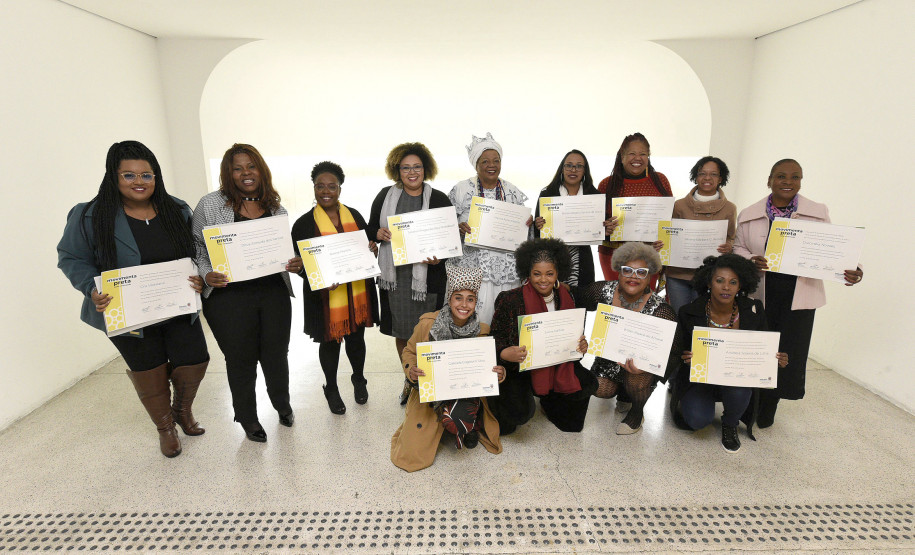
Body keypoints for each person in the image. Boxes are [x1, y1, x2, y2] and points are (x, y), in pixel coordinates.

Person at [57, 140, 209, 458]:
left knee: (194, 358)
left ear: (157, 177)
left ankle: (182, 410)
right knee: (148, 366)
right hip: (126, 312)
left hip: (178, 306)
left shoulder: (177, 209)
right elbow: (71, 257)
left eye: (146, 175)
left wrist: (198, 274)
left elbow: (197, 250)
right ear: (113, 177)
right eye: (129, 175)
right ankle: (165, 427)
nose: (139, 182)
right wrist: (91, 288)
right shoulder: (89, 215)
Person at [733, 159, 863, 428]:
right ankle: (749, 404)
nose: (788, 182)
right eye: (781, 176)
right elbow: (738, 247)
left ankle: (770, 405)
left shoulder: (817, 212)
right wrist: (751, 259)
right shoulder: (749, 213)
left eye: (795, 177)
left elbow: (833, 247)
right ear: (769, 180)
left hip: (799, 295)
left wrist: (855, 269)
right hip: (761, 293)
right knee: (757, 348)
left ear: (801, 181)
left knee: (788, 352)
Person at [192, 143, 301, 443]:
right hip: (229, 297)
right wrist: (205, 273)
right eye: (237, 168)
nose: (245, 173)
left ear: (261, 169)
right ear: (228, 173)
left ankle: (282, 404)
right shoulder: (210, 205)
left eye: (251, 166)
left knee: (276, 355)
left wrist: (294, 262)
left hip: (273, 294)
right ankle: (247, 416)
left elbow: (283, 249)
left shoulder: (276, 207)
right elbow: (198, 249)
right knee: (240, 358)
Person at [669, 254, 788, 453]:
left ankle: (730, 423)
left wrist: (775, 359)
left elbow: (764, 346)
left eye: (733, 282)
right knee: (697, 421)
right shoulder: (689, 312)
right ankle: (691, 403)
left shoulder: (753, 310)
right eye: (720, 281)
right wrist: (686, 357)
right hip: (700, 381)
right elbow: (677, 352)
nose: (726, 287)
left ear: (740, 285)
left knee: (740, 390)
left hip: (735, 379)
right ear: (709, 282)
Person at [391, 266, 505, 472]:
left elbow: (489, 368)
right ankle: (443, 420)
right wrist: (412, 369)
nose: (464, 304)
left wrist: (499, 374)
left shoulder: (483, 331)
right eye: (458, 298)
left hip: (466, 389)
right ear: (449, 299)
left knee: (459, 418)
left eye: (470, 299)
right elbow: (409, 351)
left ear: (475, 302)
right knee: (411, 452)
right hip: (431, 393)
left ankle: (467, 427)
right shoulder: (428, 324)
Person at [367, 142, 453, 404]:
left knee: (428, 332)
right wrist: (378, 234)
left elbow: (448, 239)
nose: (411, 172)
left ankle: (430, 383)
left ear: (426, 169)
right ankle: (410, 379)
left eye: (416, 166)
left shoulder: (438, 198)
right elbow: (371, 228)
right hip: (395, 279)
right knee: (402, 332)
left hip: (427, 279)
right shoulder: (385, 196)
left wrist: (440, 258)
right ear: (397, 170)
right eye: (405, 168)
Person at [291, 162, 380, 415]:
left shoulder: (355, 215)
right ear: (314, 188)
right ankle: (331, 388)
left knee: (356, 338)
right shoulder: (304, 224)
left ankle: (359, 379)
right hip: (324, 297)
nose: (326, 191)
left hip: (356, 292)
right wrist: (307, 271)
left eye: (332, 186)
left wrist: (371, 248)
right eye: (320, 186)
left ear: (340, 188)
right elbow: (300, 264)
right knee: (329, 342)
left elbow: (366, 247)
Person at [490, 238, 595, 434]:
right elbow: (495, 337)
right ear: (528, 273)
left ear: (558, 273)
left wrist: (581, 345)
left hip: (556, 365)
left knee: (580, 405)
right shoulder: (510, 299)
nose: (543, 279)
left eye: (549, 273)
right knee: (517, 416)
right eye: (537, 274)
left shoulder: (567, 297)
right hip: (520, 368)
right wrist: (505, 353)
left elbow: (575, 336)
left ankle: (550, 402)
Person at [574, 242, 678, 434]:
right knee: (600, 389)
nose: (633, 277)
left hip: (641, 366)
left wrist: (648, 367)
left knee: (636, 382)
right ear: (619, 272)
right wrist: (576, 336)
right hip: (610, 358)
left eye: (641, 272)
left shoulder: (662, 310)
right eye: (628, 270)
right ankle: (623, 393)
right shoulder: (603, 291)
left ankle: (636, 413)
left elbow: (674, 352)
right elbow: (575, 298)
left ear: (650, 277)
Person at [450, 133, 532, 325]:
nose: (491, 165)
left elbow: (525, 234)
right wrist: (458, 228)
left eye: (496, 160)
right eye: (485, 161)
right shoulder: (461, 190)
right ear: (476, 164)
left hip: (507, 272)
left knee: (505, 323)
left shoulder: (512, 191)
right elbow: (446, 227)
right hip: (472, 271)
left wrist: (528, 224)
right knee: (473, 324)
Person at [597, 132, 673, 290]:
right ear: (622, 156)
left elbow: (670, 219)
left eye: (643, 154)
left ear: (648, 156)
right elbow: (595, 223)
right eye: (631, 153)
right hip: (613, 254)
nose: (637, 158)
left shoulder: (660, 181)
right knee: (616, 300)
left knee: (644, 303)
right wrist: (604, 227)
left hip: (650, 254)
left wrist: (664, 239)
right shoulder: (606, 184)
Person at [665, 156, 737, 314]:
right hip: (678, 273)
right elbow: (670, 236)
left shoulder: (729, 208)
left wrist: (729, 246)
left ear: (720, 178)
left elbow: (731, 236)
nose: (707, 178)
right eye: (702, 173)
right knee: (679, 317)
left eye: (713, 174)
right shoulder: (679, 205)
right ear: (695, 176)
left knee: (704, 319)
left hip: (710, 276)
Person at [532, 149, 604, 287]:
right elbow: (537, 233)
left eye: (578, 166)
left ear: (584, 170)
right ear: (562, 168)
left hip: (582, 257)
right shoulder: (547, 193)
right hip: (552, 257)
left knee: (580, 299)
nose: (573, 170)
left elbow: (602, 232)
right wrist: (537, 225)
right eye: (569, 165)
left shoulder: (594, 195)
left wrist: (604, 227)